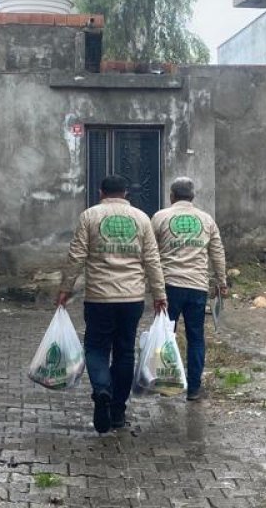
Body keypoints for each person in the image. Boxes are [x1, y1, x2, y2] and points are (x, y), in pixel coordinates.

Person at [58, 175, 167, 433]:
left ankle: (102, 389)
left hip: (99, 297)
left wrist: (65, 289)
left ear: (100, 192)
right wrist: (159, 293)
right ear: (126, 193)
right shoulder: (141, 218)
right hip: (132, 298)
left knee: (96, 347)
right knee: (125, 351)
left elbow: (76, 256)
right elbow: (152, 259)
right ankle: (118, 411)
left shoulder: (89, 217)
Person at [151, 177, 227, 402]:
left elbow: (149, 251)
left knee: (166, 336)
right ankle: (194, 388)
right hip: (197, 287)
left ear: (172, 196)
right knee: (196, 338)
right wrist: (221, 283)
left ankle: (166, 383)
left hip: (169, 287)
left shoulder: (160, 217)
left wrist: (150, 283)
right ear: (193, 197)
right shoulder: (206, 219)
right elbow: (217, 253)